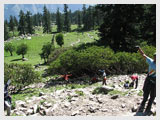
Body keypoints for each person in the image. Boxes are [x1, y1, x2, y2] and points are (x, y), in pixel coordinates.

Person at [136, 46, 156, 115]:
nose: (155, 57)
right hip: (149, 80)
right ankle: (142, 105)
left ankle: (148, 108)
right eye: (155, 56)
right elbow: (143, 55)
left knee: (153, 96)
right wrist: (139, 49)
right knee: (146, 94)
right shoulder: (151, 61)